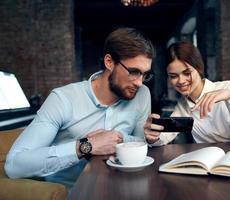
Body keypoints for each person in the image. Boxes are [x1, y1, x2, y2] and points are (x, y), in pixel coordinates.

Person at [5, 27, 155, 187]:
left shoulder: (142, 93)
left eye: (145, 74)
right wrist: (86, 146)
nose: (139, 82)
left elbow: (141, 145)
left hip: (124, 188)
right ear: (109, 62)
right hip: (70, 193)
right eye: (133, 72)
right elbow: (15, 165)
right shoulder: (63, 99)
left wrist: (118, 137)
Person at [144, 41, 230, 154]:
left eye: (187, 73)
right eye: (173, 76)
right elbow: (163, 138)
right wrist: (152, 136)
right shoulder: (183, 106)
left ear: (198, 69)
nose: (181, 81)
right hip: (213, 166)